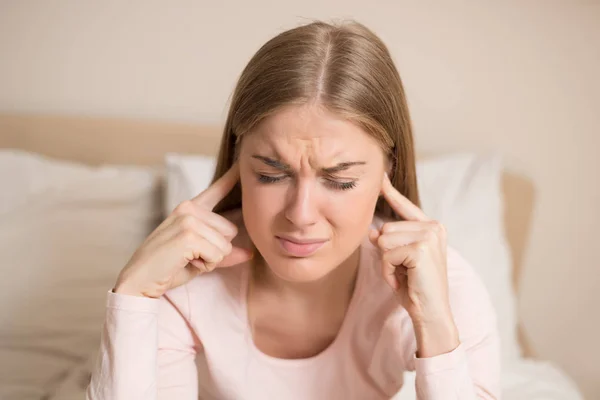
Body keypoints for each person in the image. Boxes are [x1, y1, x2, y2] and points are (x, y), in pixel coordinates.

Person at [86, 20, 500, 399]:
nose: (300, 215)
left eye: (339, 181)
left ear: (387, 170)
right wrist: (134, 295)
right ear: (237, 159)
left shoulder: (437, 284)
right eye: (271, 174)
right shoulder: (182, 282)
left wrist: (434, 324)